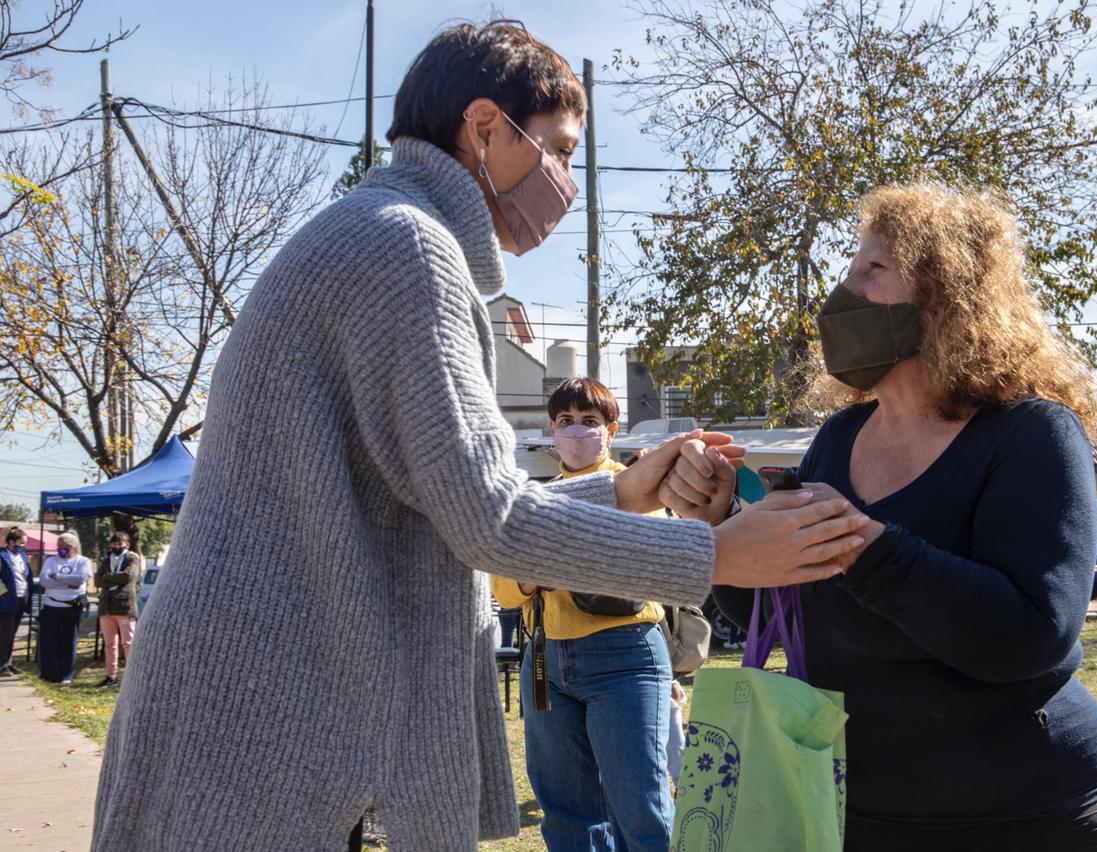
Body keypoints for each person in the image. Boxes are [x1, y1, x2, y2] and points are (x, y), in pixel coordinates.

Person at [90, 21, 866, 852]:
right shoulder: (406, 249)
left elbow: (440, 492)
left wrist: (623, 486)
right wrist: (717, 557)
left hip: (264, 699)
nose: (566, 182)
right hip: (270, 711)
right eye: (561, 151)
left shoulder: (379, 231)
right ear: (487, 128)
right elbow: (489, 520)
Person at [669, 183, 1097, 850]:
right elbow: (786, 614)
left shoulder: (1031, 433)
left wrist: (867, 547)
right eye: (849, 268)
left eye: (872, 270)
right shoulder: (839, 437)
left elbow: (1033, 633)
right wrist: (721, 521)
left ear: (945, 295)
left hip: (1027, 818)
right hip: (856, 813)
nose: (842, 291)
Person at [493, 377, 677, 851]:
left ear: (611, 429)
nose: (576, 432)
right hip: (546, 660)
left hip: (625, 655)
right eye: (565, 422)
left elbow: (638, 565)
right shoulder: (535, 494)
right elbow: (506, 592)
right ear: (551, 430)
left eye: (589, 422)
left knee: (642, 811)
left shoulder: (637, 485)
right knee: (566, 816)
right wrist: (547, 564)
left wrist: (539, 559)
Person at [38, 531, 91, 684]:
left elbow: (81, 579)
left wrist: (57, 577)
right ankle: (49, 674)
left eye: (63, 546)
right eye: (58, 546)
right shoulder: (51, 561)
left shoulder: (83, 561)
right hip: (51, 606)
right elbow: (45, 582)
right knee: (49, 641)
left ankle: (66, 675)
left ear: (72, 547)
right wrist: (70, 583)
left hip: (72, 607)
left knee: (69, 641)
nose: (59, 549)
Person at [94, 531, 142, 688]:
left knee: (128, 643)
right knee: (110, 644)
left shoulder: (132, 558)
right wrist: (110, 578)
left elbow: (128, 577)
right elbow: (97, 581)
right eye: (114, 543)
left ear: (127, 545)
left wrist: (108, 577)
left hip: (124, 606)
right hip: (106, 606)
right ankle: (111, 676)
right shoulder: (107, 559)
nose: (116, 546)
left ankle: (132, 677)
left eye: (119, 543)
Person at [0, 527, 34, 676]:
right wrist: (3, 591)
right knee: (5, 633)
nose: (23, 546)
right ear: (11, 541)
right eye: (21, 543)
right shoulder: (2, 555)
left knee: (13, 632)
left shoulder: (22, 555)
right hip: (6, 600)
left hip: (21, 598)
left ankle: (8, 662)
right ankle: (2, 665)